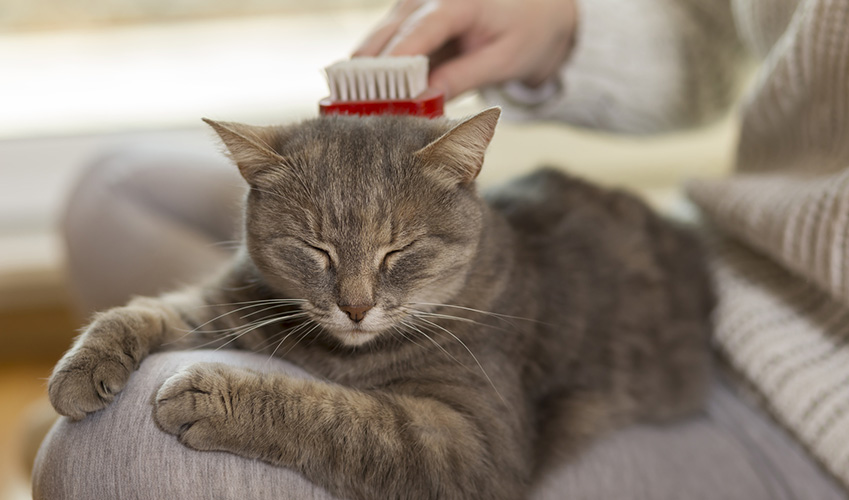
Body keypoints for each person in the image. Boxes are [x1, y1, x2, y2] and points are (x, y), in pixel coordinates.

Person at [34, 0, 849, 498]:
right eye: (322, 260)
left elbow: (471, 467)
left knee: (114, 448)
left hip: (783, 414)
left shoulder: (484, 307)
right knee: (117, 190)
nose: (356, 302)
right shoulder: (356, 247)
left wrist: (272, 412)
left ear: (466, 181)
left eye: (395, 262)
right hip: (742, 261)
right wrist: (559, 23)